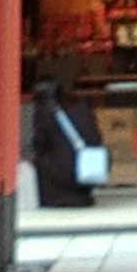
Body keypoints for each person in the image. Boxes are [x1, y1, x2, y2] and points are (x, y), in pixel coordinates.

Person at [26, 70, 100, 213]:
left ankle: (56, 197)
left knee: (43, 158)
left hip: (63, 169)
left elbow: (40, 142)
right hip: (90, 165)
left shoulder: (45, 110)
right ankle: (82, 195)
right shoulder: (81, 104)